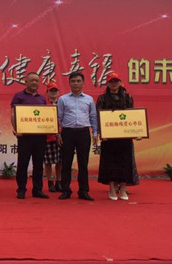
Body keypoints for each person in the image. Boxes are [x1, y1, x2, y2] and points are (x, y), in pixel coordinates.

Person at [96, 71, 138, 201]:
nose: (113, 84)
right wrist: (101, 133)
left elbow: (132, 116)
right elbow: (99, 117)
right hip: (109, 138)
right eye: (111, 82)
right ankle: (112, 188)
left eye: (116, 81)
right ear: (107, 84)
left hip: (124, 136)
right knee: (110, 163)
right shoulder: (102, 98)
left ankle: (123, 188)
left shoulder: (127, 97)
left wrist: (136, 132)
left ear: (120, 83)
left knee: (125, 162)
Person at [57, 72, 98, 201]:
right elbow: (58, 118)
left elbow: (93, 117)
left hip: (83, 133)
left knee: (83, 163)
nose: (76, 84)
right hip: (67, 133)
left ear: (83, 83)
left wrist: (95, 133)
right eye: (73, 81)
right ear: (69, 83)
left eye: (78, 81)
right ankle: (65, 190)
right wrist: (58, 134)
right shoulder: (63, 99)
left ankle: (83, 191)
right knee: (66, 163)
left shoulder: (89, 99)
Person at [11, 72, 49, 199]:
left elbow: (45, 116)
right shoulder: (19, 96)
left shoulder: (42, 98)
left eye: (36, 81)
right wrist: (16, 129)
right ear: (26, 82)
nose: (34, 83)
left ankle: (37, 189)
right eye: (31, 80)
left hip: (40, 136)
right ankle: (21, 189)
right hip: (24, 136)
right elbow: (13, 114)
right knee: (23, 163)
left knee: (38, 164)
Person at [43, 81, 62, 193]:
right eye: (51, 91)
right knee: (48, 161)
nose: (53, 93)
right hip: (47, 136)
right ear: (47, 92)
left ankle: (59, 181)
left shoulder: (63, 103)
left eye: (55, 91)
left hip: (61, 136)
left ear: (58, 92)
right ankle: (50, 182)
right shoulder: (43, 104)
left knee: (60, 161)